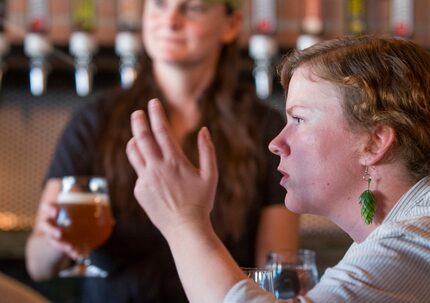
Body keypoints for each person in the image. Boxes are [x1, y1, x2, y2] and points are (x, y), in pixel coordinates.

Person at [25, 0, 299, 302]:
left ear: (230, 25)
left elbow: (275, 270)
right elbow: (38, 266)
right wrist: (55, 240)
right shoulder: (94, 120)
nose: (170, 21)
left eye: (192, 8)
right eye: (158, 5)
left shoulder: (266, 129)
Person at [126, 34, 430, 303]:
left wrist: (183, 220)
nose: (276, 143)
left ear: (375, 142)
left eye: (298, 119)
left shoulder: (415, 238)